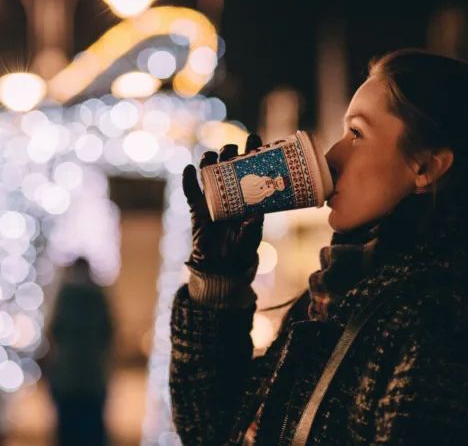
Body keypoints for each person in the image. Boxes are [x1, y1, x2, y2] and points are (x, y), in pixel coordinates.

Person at [169, 49, 468, 445]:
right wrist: (218, 284)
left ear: (426, 168)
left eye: (357, 134)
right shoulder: (337, 293)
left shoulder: (436, 317)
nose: (331, 156)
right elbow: (211, 432)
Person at [46, 257, 114, 446]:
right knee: (91, 430)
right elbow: (108, 332)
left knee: (68, 430)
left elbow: (54, 331)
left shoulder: (64, 296)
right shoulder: (98, 296)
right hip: (92, 376)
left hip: (67, 377)